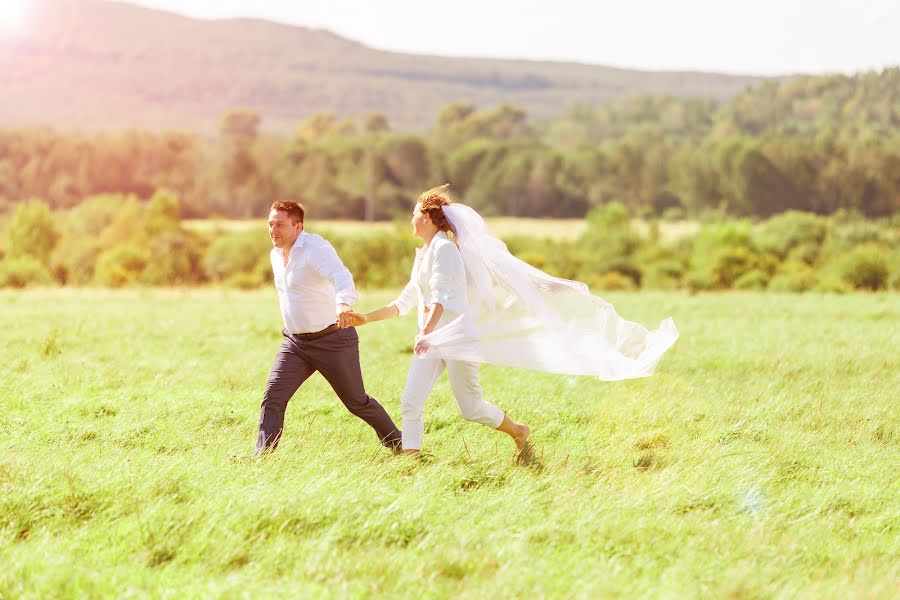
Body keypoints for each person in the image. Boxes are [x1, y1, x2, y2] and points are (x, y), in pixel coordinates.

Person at [347, 191, 531, 456]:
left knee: (471, 408)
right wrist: (366, 318)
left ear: (430, 219)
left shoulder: (444, 250)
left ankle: (518, 431)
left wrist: (425, 333)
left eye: (415, 214)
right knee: (411, 402)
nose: (411, 219)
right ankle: (411, 461)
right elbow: (405, 301)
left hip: (455, 338)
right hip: (431, 341)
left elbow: (440, 298)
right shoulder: (426, 252)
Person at [254, 200, 401, 456]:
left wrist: (343, 304)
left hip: (333, 340)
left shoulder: (315, 248)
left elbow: (341, 275)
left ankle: (402, 446)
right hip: (296, 343)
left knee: (357, 402)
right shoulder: (275, 254)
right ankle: (262, 457)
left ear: (298, 226)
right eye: (270, 224)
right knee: (273, 397)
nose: (273, 230)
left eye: (280, 225)